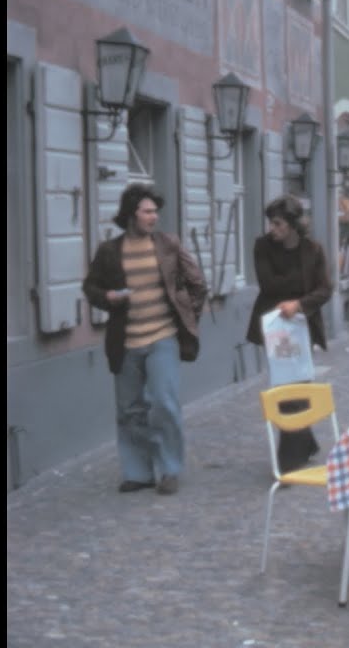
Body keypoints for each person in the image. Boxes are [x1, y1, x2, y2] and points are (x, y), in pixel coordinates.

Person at [82, 183, 207, 495]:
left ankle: (170, 470)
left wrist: (188, 317)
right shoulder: (110, 251)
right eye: (148, 211)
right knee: (130, 409)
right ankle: (138, 473)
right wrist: (108, 296)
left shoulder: (167, 244)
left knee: (164, 403)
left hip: (162, 336)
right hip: (126, 342)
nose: (154, 217)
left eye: (155, 211)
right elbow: (91, 288)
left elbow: (197, 283)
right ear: (131, 214)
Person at [245, 194, 334, 473]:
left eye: (278, 224)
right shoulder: (263, 247)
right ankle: (290, 459)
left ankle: (302, 446)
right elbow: (268, 284)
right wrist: (298, 290)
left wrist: (300, 303)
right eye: (271, 224)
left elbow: (325, 289)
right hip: (276, 326)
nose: (273, 229)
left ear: (293, 224)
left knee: (300, 384)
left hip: (303, 323)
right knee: (286, 387)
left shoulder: (313, 249)